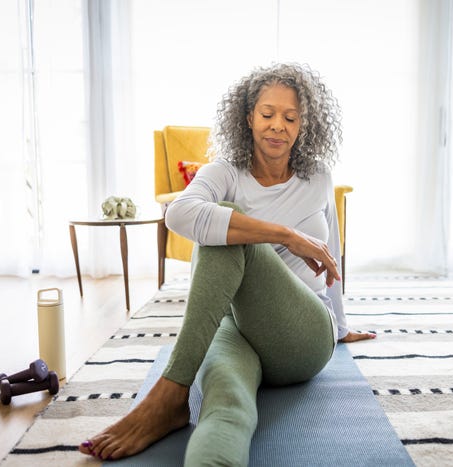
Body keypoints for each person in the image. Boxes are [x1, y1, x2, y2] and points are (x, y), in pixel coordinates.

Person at [79, 62, 375, 464]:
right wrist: (284, 234)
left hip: (301, 337)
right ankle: (182, 418)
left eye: (290, 117)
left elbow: (330, 254)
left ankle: (170, 389)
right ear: (248, 116)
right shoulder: (224, 171)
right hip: (236, 327)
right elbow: (178, 215)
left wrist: (340, 326)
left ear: (305, 125)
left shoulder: (317, 178)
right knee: (224, 404)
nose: (277, 126)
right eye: (267, 114)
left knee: (226, 225)